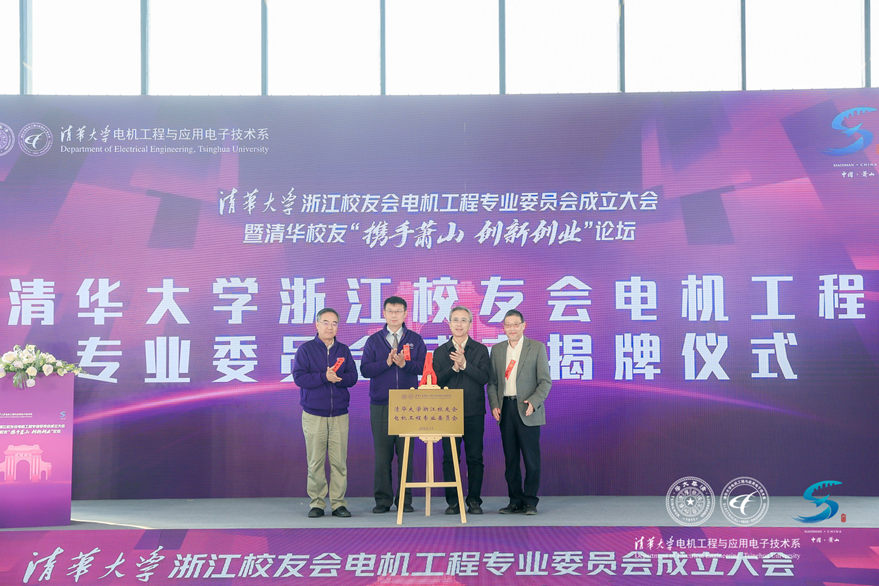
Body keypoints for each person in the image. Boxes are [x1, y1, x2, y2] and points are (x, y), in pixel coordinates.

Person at [360, 295, 427, 514]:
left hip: (408, 404)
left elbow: (424, 368)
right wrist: (386, 363)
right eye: (390, 311)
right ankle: (383, 500)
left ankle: (405, 500)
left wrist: (405, 364)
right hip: (381, 404)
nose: (394, 315)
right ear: (384, 314)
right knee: (383, 455)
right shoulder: (373, 340)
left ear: (406, 314)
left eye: (398, 311)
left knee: (406, 455)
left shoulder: (415, 339)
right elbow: (365, 370)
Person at [292, 308, 359, 518]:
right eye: (326, 322)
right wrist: (324, 377)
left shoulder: (343, 350)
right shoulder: (306, 350)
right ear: (317, 325)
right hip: (314, 415)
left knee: (339, 463)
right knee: (315, 462)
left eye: (334, 323)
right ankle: (317, 503)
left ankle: (338, 504)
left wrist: (338, 379)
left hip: (339, 414)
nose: (330, 327)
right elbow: (299, 378)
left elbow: (353, 377)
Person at [486, 309, 551, 515]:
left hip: (527, 409)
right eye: (508, 325)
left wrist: (534, 402)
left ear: (524, 325)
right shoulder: (497, 350)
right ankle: (515, 500)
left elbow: (545, 382)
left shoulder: (537, 348)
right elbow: (492, 383)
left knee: (531, 460)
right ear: (503, 328)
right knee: (511, 459)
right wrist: (494, 404)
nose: (512, 328)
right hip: (506, 408)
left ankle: (530, 501)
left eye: (516, 324)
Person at [433, 306, 492, 515]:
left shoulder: (480, 350)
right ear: (449, 324)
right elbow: (437, 382)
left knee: (475, 457)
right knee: (450, 458)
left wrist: (465, 364)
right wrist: (453, 368)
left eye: (463, 320)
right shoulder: (441, 351)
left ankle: (474, 500)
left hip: (474, 411)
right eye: (455, 320)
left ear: (470, 324)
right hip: (448, 414)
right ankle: (453, 501)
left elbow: (484, 378)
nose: (459, 324)